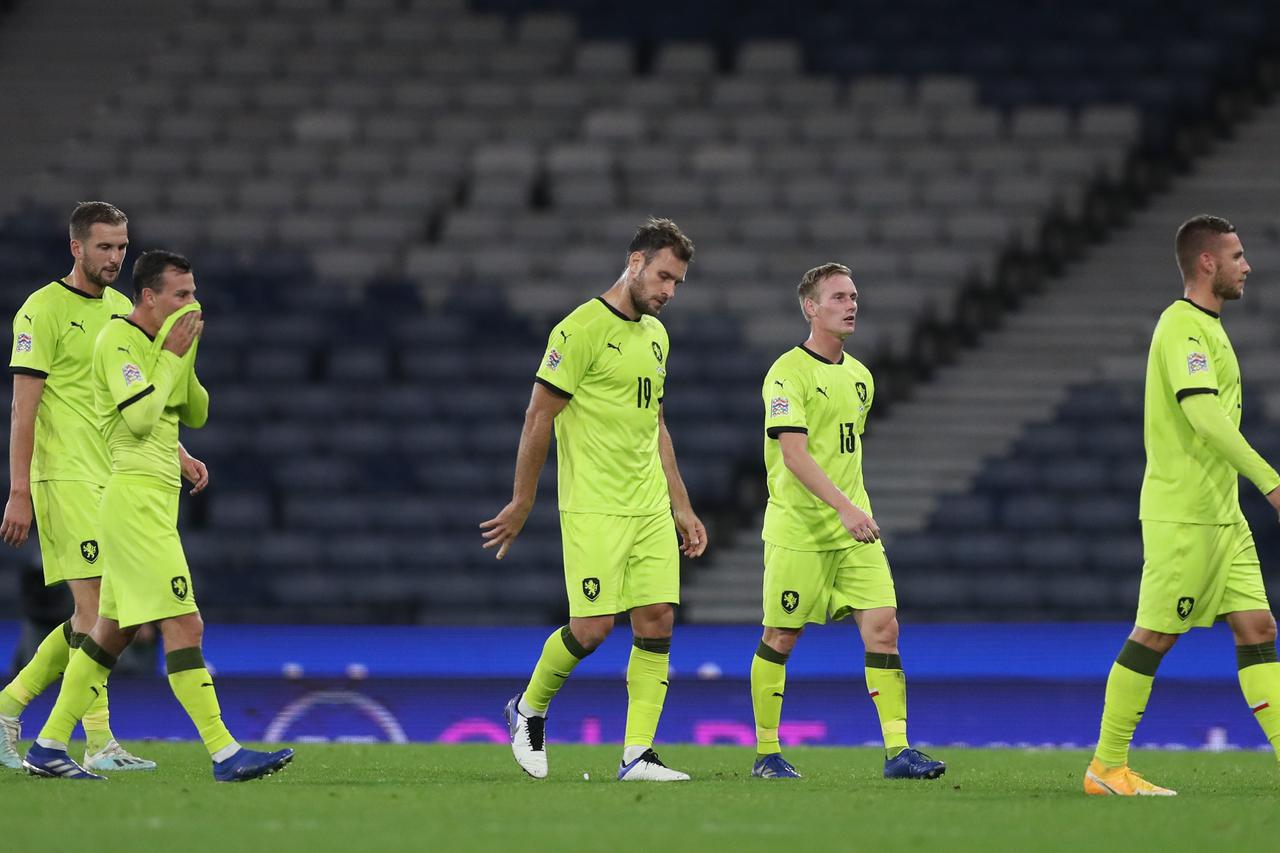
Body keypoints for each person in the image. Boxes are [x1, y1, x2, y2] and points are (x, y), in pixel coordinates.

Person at [22, 250, 292, 781]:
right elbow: (143, 419)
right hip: (134, 501)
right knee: (185, 624)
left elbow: (195, 410)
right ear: (150, 297)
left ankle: (48, 745)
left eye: (193, 292)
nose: (193, 302)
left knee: (111, 632)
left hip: (154, 497)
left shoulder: (161, 346)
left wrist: (183, 357)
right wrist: (170, 356)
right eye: (181, 294)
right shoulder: (117, 340)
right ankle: (224, 751)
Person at [481, 218, 708, 782]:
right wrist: (522, 499)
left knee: (657, 619)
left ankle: (637, 755)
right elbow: (539, 416)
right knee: (594, 629)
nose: (668, 292)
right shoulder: (579, 329)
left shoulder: (656, 336)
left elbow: (656, 422)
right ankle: (528, 709)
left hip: (649, 504)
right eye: (663, 277)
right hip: (594, 506)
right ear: (634, 262)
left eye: (677, 283)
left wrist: (680, 502)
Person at [0, 202, 208, 772]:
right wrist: (20, 490)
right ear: (77, 248)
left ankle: (9, 709)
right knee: (97, 615)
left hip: (112, 475)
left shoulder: (122, 311)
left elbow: (137, 400)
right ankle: (94, 742)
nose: (115, 258)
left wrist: (179, 452)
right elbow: (24, 409)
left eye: (121, 247)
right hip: (63, 476)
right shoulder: (41, 310)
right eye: (104, 248)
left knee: (103, 617)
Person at [1085, 215, 1280, 796]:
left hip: (1224, 517)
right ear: (1206, 263)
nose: (1247, 266)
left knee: (1258, 626)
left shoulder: (1211, 330)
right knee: (1155, 635)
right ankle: (1106, 766)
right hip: (1185, 515)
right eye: (1238, 256)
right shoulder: (1180, 327)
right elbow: (1204, 418)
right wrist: (1271, 482)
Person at [749, 263, 945, 781]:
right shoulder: (787, 373)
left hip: (854, 530)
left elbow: (841, 453)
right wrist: (844, 507)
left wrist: (851, 509)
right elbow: (794, 454)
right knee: (781, 636)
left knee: (883, 629)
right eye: (838, 296)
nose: (851, 304)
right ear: (811, 307)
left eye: (854, 295)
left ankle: (899, 751)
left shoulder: (861, 378)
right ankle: (767, 754)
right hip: (801, 530)